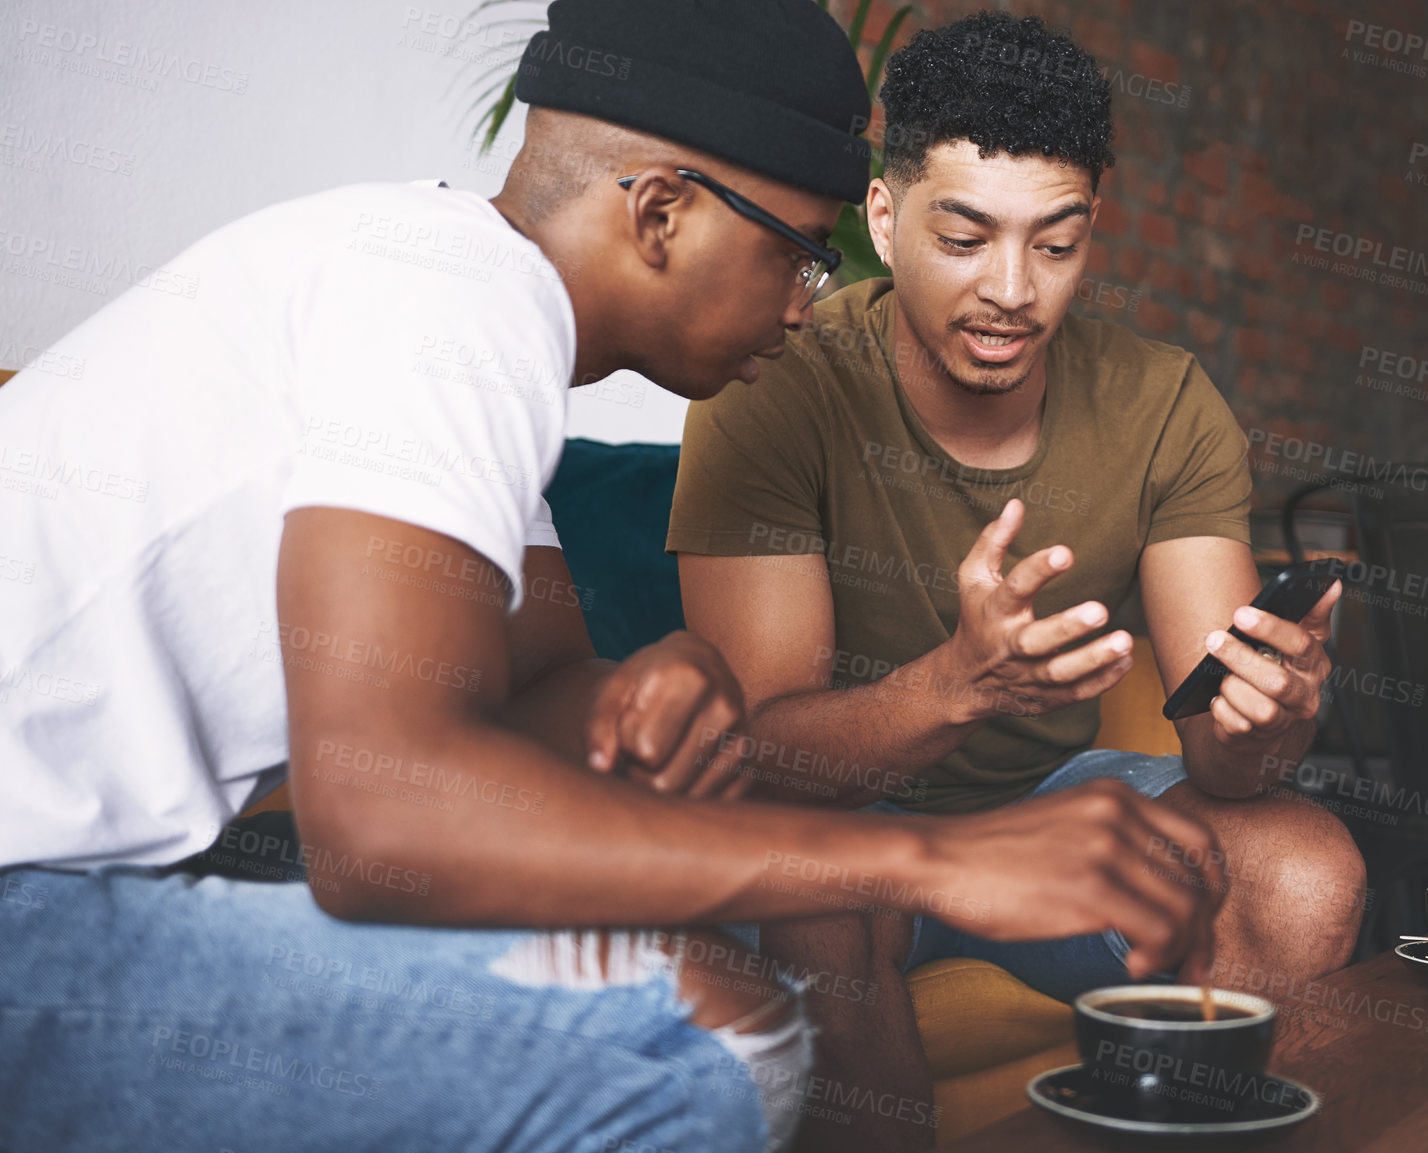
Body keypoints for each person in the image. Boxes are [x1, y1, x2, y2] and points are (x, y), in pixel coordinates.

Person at [0, 3, 1230, 1150]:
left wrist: (658, 677)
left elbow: (532, 691)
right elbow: (379, 826)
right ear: (659, 215)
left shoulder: (447, 296)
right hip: (23, 905)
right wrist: (934, 862)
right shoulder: (445, 305)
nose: (809, 306)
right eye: (801, 253)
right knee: (694, 1021)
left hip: (57, 889)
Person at [670, 12, 1367, 1151]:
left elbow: (1224, 760)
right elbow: (764, 756)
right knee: (807, 885)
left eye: (1055, 243)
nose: (1013, 290)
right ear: (885, 222)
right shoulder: (776, 378)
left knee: (1302, 863)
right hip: (841, 824)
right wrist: (959, 685)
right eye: (965, 238)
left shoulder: (1164, 401)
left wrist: (1266, 716)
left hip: (1054, 806)